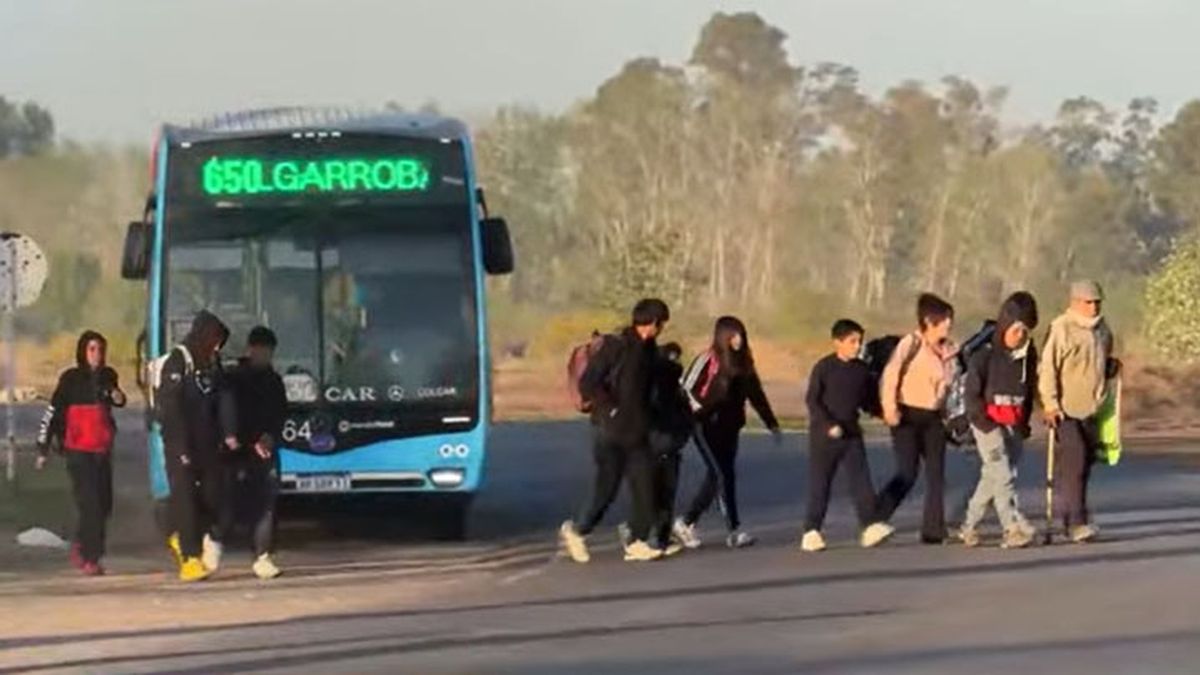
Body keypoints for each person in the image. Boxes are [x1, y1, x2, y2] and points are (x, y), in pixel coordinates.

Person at [559, 298, 671, 563]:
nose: (662, 328)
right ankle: (577, 530)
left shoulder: (649, 350)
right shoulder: (616, 346)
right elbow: (589, 383)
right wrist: (612, 410)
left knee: (645, 486)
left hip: (638, 432)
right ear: (653, 323)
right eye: (661, 323)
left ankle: (637, 541)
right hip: (609, 431)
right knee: (606, 489)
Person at [674, 316, 783, 550]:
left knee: (719, 477)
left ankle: (686, 522)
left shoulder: (744, 363)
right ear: (723, 336)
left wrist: (771, 423)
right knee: (722, 476)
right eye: (733, 335)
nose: (738, 340)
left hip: (730, 426)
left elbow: (756, 394)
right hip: (704, 425)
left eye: (741, 335)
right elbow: (685, 389)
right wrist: (699, 410)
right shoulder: (707, 359)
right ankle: (733, 530)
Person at [35, 331, 127, 576]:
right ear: (83, 351)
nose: (97, 355)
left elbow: (118, 398)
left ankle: (82, 544)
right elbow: (52, 413)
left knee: (104, 504)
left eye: (100, 350)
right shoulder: (70, 379)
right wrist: (43, 448)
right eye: (92, 349)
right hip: (78, 451)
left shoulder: (108, 376)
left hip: (101, 450)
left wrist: (117, 396)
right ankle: (91, 557)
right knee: (91, 505)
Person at [958, 292, 1040, 549]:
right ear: (1006, 325)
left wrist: (1024, 423)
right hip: (987, 424)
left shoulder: (1028, 355)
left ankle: (968, 525)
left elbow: (1029, 390)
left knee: (992, 478)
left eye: (1026, 331)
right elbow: (971, 394)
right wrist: (982, 421)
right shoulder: (984, 355)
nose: (1021, 336)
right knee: (1003, 474)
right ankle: (1011, 527)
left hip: (1013, 423)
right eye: (1017, 330)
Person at [874, 293, 959, 545]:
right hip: (907, 414)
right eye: (944, 319)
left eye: (949, 319)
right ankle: (876, 516)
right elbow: (891, 374)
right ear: (929, 320)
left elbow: (949, 387)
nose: (948, 324)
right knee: (908, 472)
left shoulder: (950, 350)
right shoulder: (910, 343)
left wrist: (948, 416)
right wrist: (889, 408)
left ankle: (933, 529)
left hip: (934, 417)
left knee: (936, 474)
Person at [801, 319, 891, 552]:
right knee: (821, 484)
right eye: (852, 341)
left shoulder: (862, 371)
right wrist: (828, 424)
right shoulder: (823, 367)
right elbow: (813, 400)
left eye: (859, 341)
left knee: (861, 482)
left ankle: (869, 526)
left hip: (851, 434)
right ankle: (812, 531)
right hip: (824, 436)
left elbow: (869, 401)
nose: (857, 346)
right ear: (837, 342)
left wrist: (886, 415)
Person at [1038, 281, 1116, 543]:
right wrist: (1049, 404)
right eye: (1088, 302)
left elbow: (1102, 362)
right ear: (1074, 302)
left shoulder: (1102, 330)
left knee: (1084, 466)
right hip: (1065, 410)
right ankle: (1077, 522)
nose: (1093, 307)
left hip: (1092, 409)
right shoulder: (1061, 328)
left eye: (1096, 302)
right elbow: (1048, 368)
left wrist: (1110, 368)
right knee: (1076, 461)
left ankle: (1072, 516)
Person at [160, 310, 232, 582]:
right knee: (186, 500)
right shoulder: (179, 361)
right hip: (181, 446)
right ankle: (189, 560)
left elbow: (224, 401)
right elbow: (170, 408)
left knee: (212, 497)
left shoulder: (213, 364)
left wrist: (229, 433)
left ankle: (183, 536)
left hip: (209, 445)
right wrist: (180, 448)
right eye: (215, 340)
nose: (217, 347)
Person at [216, 326, 288, 580]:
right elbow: (228, 415)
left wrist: (270, 436)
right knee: (230, 507)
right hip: (237, 453)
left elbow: (280, 414)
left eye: (270, 352)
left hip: (266, 452)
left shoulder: (275, 381)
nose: (266, 356)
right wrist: (243, 439)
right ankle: (213, 546)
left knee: (266, 504)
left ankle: (262, 556)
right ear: (251, 349)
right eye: (262, 350)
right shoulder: (234, 378)